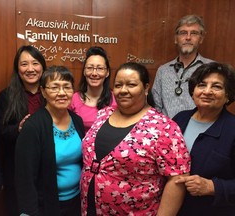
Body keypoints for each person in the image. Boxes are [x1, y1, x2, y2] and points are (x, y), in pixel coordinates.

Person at [80, 62, 191, 216]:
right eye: (118, 85)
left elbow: (177, 178)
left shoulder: (164, 127)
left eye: (131, 84)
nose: (123, 90)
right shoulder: (103, 114)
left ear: (146, 88)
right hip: (90, 208)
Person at [15, 65, 85, 216]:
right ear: (43, 92)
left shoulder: (77, 121)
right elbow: (25, 177)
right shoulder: (33, 126)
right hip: (47, 205)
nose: (62, 93)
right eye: (54, 87)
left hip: (77, 201)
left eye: (67, 87)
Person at [173, 62, 235, 216]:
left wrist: (212, 187)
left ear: (228, 95)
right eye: (202, 85)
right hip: (173, 208)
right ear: (193, 91)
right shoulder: (179, 119)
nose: (207, 91)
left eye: (217, 87)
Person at [0, 45, 46, 216]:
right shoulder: (7, 95)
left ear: (42, 67)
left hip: (47, 170)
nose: (30, 69)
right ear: (17, 68)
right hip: (17, 173)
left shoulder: (52, 93)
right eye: (24, 64)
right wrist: (18, 129)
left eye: (35, 63)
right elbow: (0, 132)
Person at [152, 14, 213, 118]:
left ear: (201, 39)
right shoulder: (163, 71)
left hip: (201, 131)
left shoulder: (212, 69)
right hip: (166, 131)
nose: (188, 37)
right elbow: (156, 106)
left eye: (194, 33)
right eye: (183, 33)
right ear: (176, 39)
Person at [69, 46, 116, 132]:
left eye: (100, 68)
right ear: (84, 71)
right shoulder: (73, 99)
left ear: (107, 72)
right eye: (90, 68)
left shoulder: (117, 99)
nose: (94, 73)